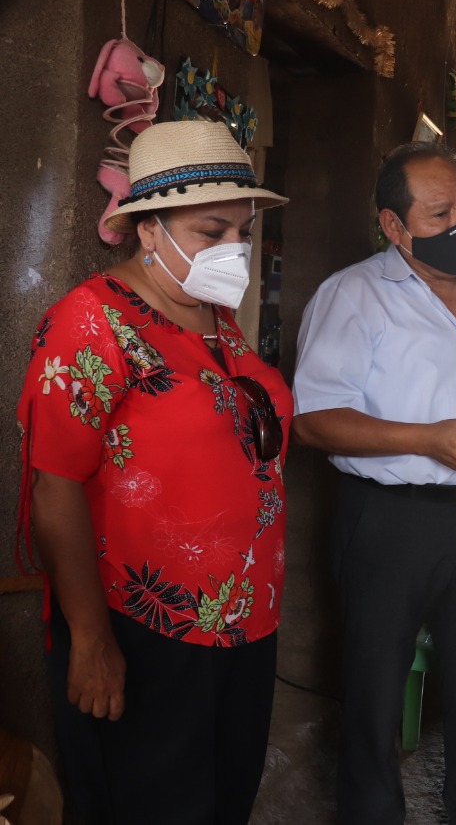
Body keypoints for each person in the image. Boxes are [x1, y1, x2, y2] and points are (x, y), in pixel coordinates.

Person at [17, 120, 292, 824]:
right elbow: (54, 485)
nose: (234, 249)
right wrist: (91, 639)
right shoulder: (91, 323)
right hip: (145, 629)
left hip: (243, 622)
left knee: (223, 801)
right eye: (211, 231)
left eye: (243, 231)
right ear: (148, 230)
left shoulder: (216, 319)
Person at [291, 142, 456, 825]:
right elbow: (314, 419)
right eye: (440, 213)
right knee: (374, 687)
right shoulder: (353, 296)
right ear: (394, 225)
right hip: (389, 521)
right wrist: (423, 438)